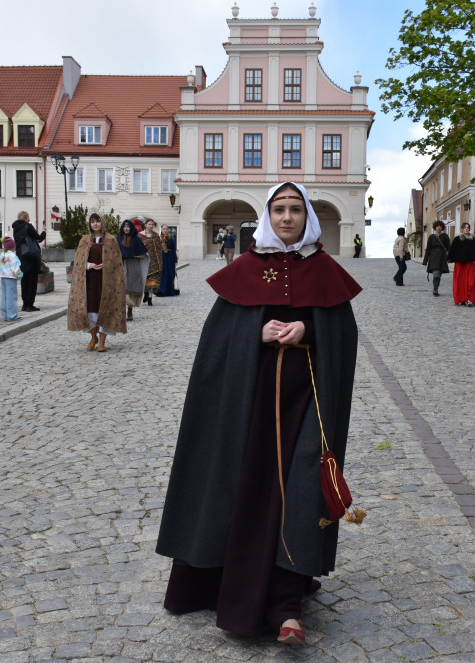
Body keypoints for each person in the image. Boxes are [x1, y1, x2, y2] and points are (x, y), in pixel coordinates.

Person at [157, 182, 362, 647]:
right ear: (267, 216)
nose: (286, 217)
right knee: (244, 489)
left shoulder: (324, 270)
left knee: (302, 492)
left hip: (306, 407)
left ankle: (287, 605)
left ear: (306, 215)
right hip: (246, 409)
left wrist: (308, 327)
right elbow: (218, 345)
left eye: (294, 209)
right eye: (278, 209)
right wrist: (258, 334)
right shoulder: (246, 268)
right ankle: (220, 582)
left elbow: (343, 336)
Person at [67, 213, 126, 352]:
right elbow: (78, 262)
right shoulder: (85, 240)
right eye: (92, 222)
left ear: (102, 223)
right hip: (90, 281)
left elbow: (117, 263)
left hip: (106, 282)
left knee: (104, 310)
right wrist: (89, 265)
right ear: (90, 224)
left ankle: (102, 342)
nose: (95, 224)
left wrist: (107, 265)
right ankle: (93, 338)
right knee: (91, 310)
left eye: (97, 221)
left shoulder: (111, 240)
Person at [12, 211, 46, 312]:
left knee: (24, 281)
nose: (29, 219)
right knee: (32, 282)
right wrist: (44, 231)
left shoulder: (16, 228)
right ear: (25, 217)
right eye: (28, 217)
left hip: (21, 257)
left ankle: (24, 304)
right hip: (30, 257)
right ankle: (30, 305)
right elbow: (38, 239)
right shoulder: (28, 226)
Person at [117, 219, 149, 321]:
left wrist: (133, 255)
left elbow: (144, 254)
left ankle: (130, 309)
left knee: (130, 287)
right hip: (121, 265)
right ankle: (122, 310)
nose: (126, 228)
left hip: (133, 265)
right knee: (121, 288)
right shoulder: (118, 239)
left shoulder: (136, 239)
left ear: (131, 228)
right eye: (124, 227)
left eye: (128, 227)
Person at [447, 222, 475, 306]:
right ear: (462, 229)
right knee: (460, 282)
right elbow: (453, 249)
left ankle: (470, 299)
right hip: (460, 263)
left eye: (468, 227)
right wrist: (450, 258)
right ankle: (461, 299)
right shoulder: (457, 239)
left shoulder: (472, 239)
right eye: (465, 227)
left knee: (471, 282)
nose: (466, 229)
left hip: (470, 263)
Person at [422, 220, 450, 296]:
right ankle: (435, 289)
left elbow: (448, 248)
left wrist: (449, 257)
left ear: (442, 228)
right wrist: (425, 261)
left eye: (440, 226)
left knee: (439, 274)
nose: (439, 227)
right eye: (437, 226)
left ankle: (436, 287)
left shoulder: (445, 236)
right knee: (436, 274)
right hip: (434, 257)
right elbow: (428, 249)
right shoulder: (431, 237)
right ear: (435, 227)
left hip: (442, 257)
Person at [140, 218, 164, 306]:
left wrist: (159, 262)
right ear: (145, 225)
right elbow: (139, 247)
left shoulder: (156, 235)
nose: (151, 226)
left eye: (152, 224)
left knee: (153, 280)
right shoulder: (140, 235)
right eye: (149, 224)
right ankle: (145, 293)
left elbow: (158, 249)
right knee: (145, 278)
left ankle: (150, 297)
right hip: (144, 259)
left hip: (154, 260)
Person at [0, 236, 22, 322]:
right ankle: (12, 315)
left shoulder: (2, 254)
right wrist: (20, 275)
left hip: (3, 276)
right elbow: (15, 268)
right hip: (11, 277)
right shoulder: (13, 256)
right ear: (13, 246)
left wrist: (0, 273)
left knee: (4, 296)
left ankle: (5, 315)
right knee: (11, 296)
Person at [156, 224, 180, 297]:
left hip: (169, 258)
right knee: (163, 274)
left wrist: (175, 260)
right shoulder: (158, 238)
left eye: (166, 229)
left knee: (170, 273)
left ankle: (170, 290)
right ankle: (162, 290)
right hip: (162, 257)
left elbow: (173, 250)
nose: (165, 230)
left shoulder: (171, 239)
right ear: (161, 230)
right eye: (164, 229)